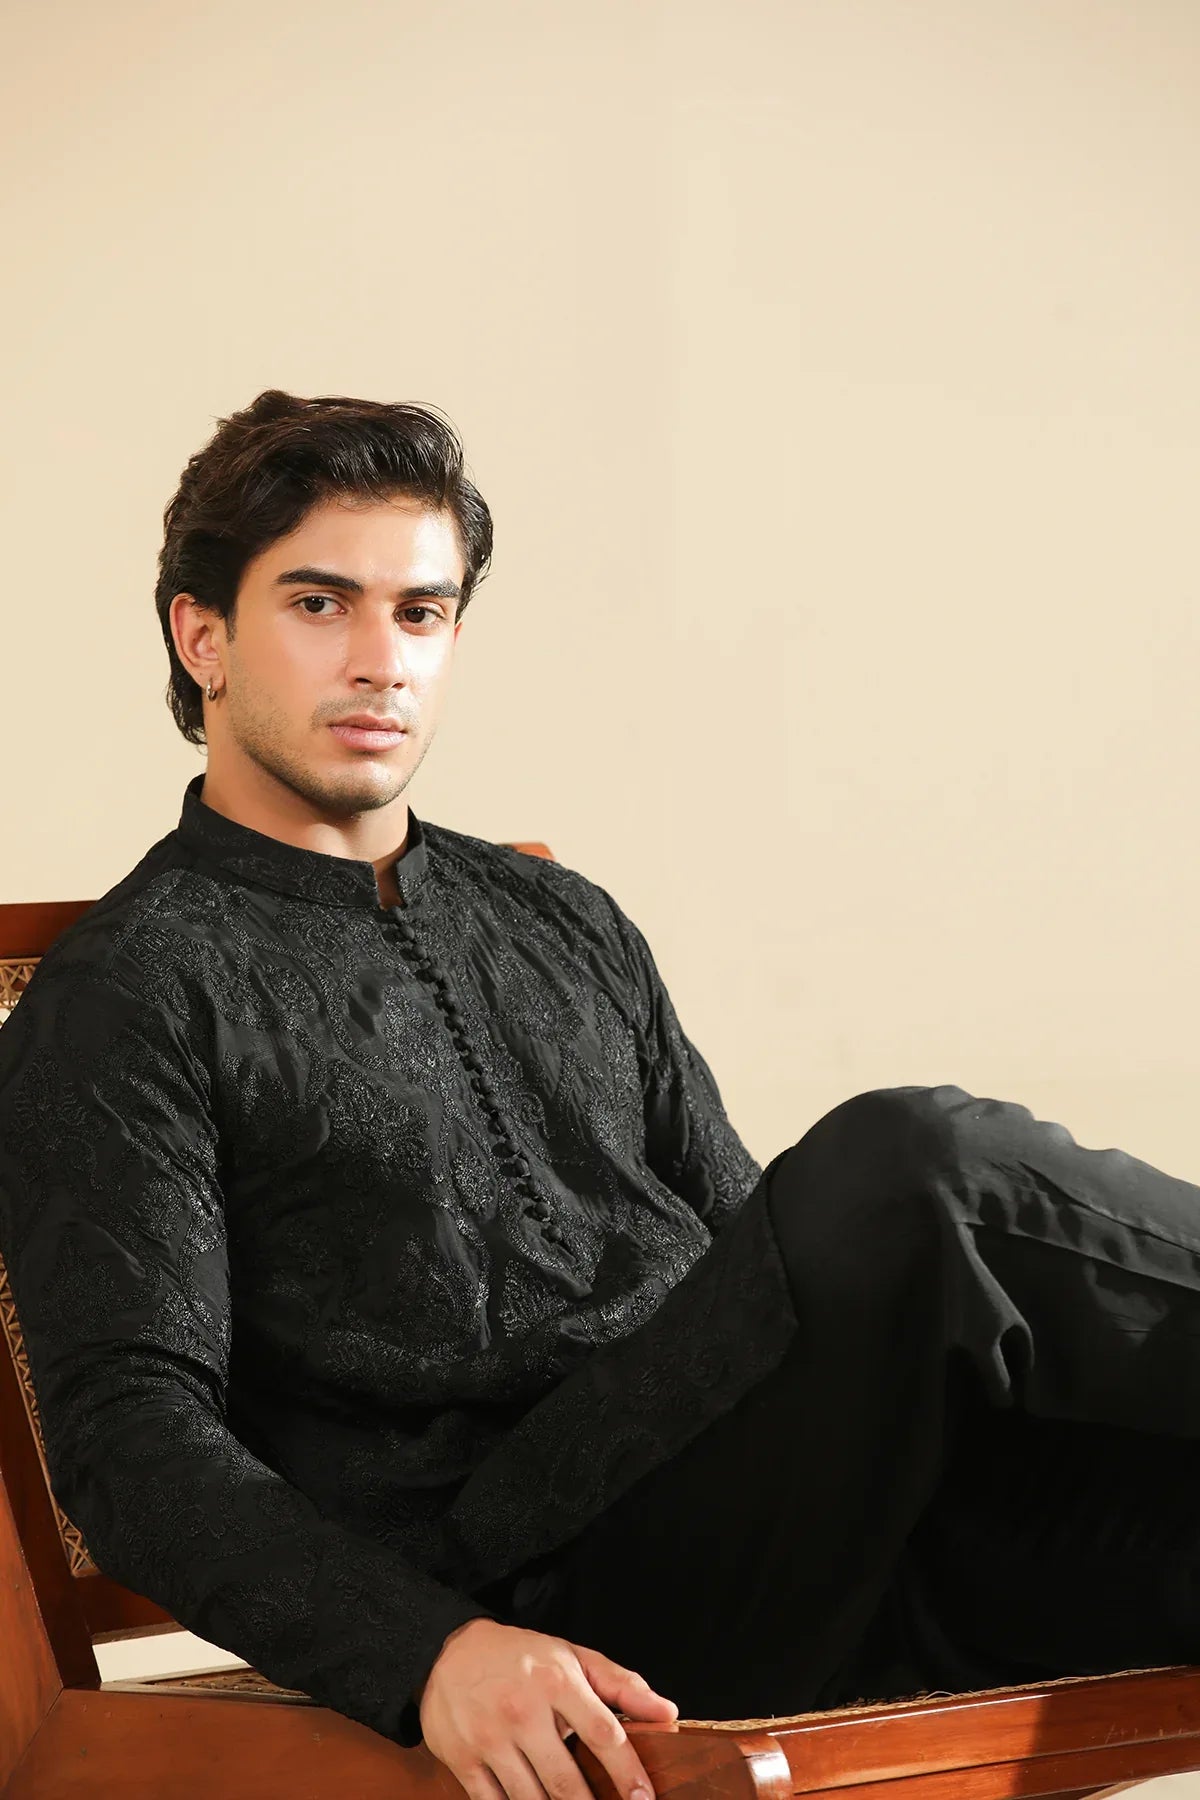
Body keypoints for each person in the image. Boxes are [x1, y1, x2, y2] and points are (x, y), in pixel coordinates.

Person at [2, 389, 1199, 1800]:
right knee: (913, 1167)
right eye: (321, 605)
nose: (381, 660)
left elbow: (767, 1270)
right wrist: (435, 1651)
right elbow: (131, 1443)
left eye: (423, 613)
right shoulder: (130, 991)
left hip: (793, 1539)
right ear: (202, 636)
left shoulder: (560, 920)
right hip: (553, 1607)